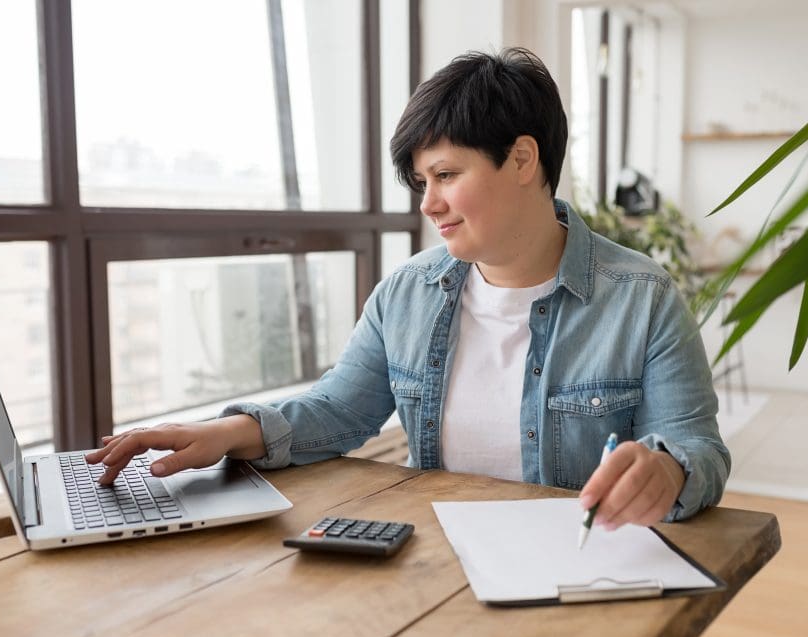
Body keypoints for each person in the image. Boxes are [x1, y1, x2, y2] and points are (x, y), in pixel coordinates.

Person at [88, 47, 729, 529]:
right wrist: (225, 434)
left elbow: (697, 446)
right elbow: (340, 410)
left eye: (446, 174)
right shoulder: (406, 296)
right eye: (422, 183)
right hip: (438, 563)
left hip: (583, 566)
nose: (430, 204)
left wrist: (668, 470)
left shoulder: (642, 299)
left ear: (524, 159)